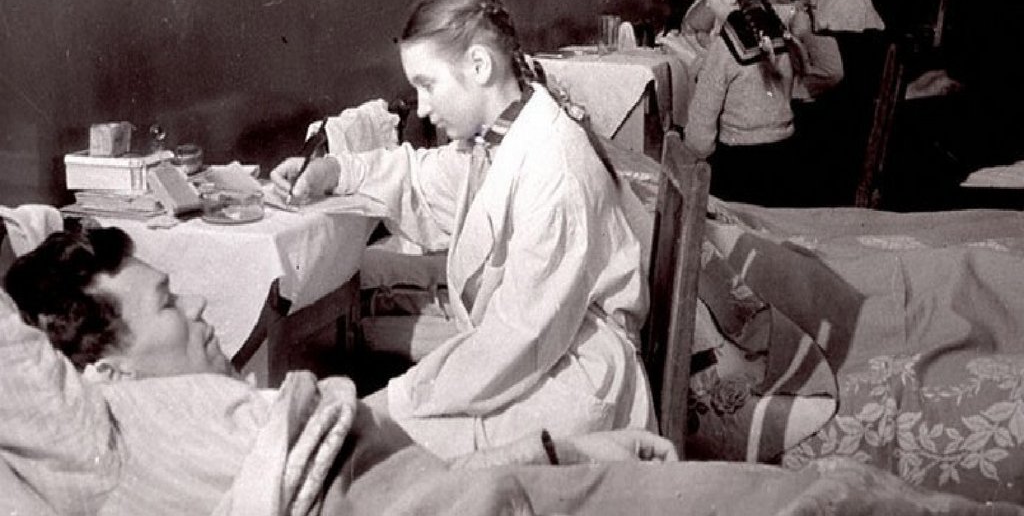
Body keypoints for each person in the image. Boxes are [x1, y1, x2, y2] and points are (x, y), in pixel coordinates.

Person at [1, 225, 676, 516]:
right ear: (107, 377)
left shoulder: (235, 429)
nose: (199, 305)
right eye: (168, 304)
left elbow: (411, 484)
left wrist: (561, 455)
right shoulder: (126, 450)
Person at [270, 0, 655, 459]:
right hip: (533, 354)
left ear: (479, 65)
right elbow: (423, 176)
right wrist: (335, 170)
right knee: (364, 433)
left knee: (371, 445)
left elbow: (515, 342)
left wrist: (392, 402)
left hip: (572, 378)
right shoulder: (510, 132)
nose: (423, 108)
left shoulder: (554, 168)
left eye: (427, 85)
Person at [771, 0, 889, 204]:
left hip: (853, 91)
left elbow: (835, 66)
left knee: (792, 105)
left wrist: (805, 33)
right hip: (842, 76)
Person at [682, 0, 803, 205]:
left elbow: (701, 131)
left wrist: (694, 155)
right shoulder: (777, 30)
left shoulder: (724, 45)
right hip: (786, 159)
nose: (708, 3)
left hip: (739, 168)